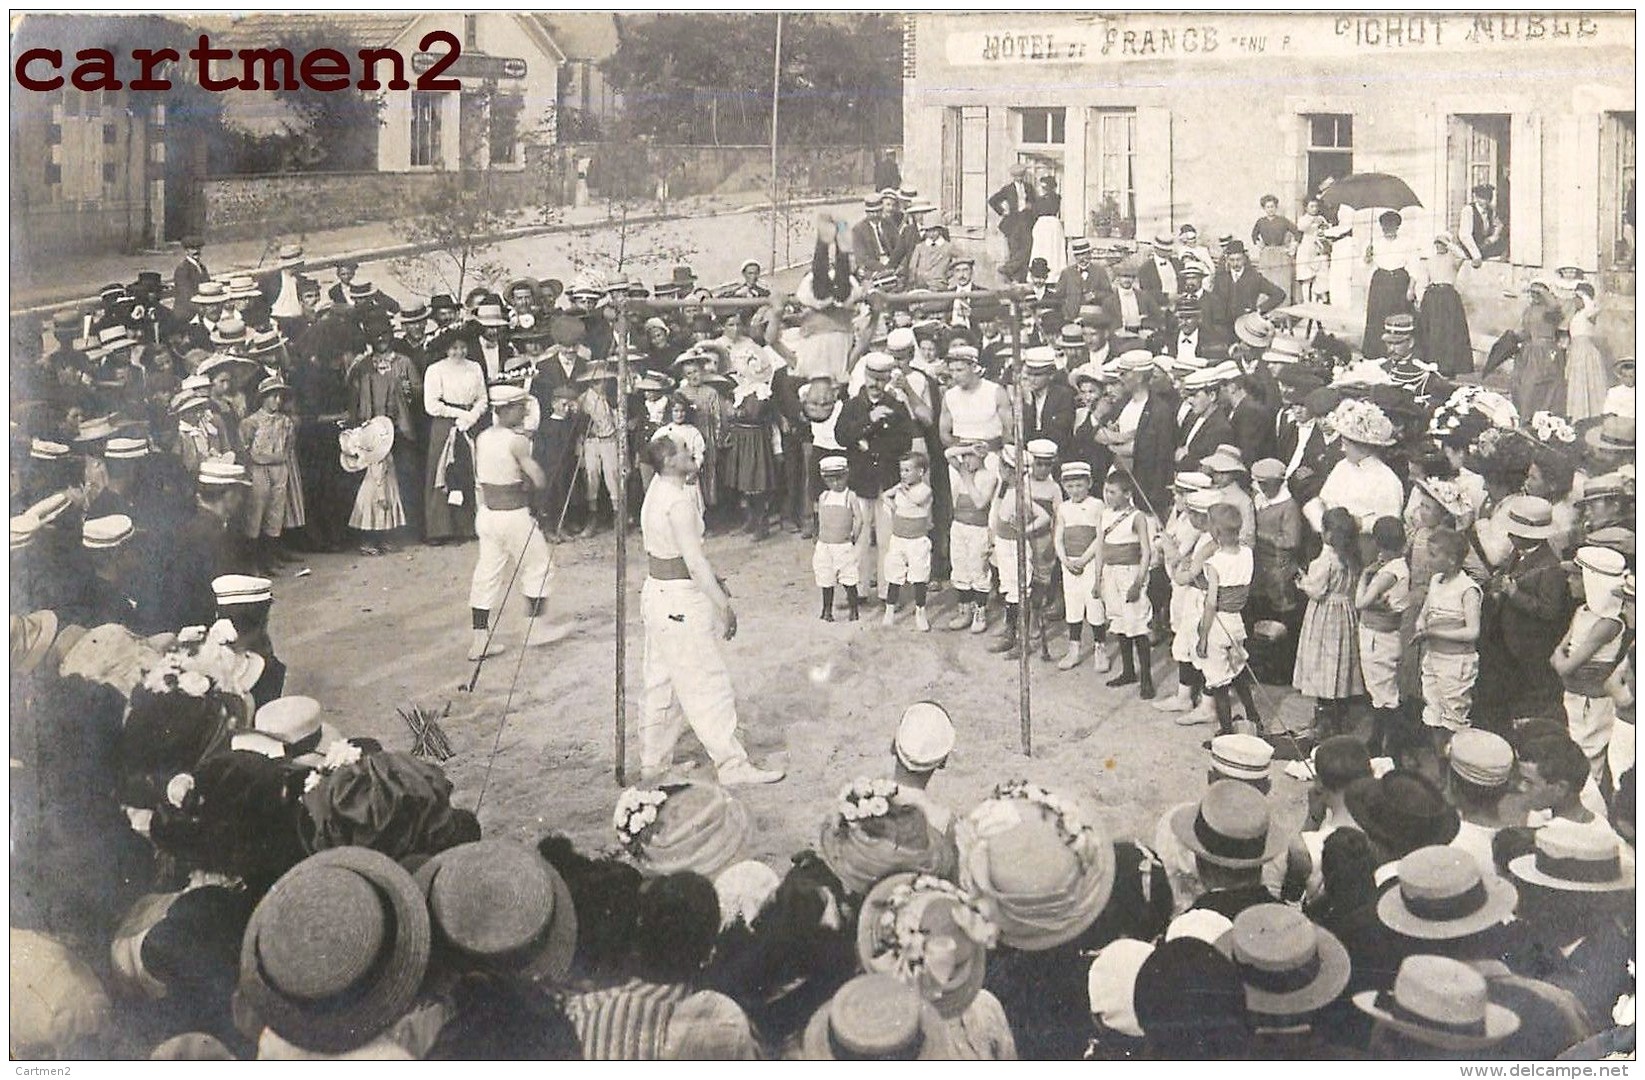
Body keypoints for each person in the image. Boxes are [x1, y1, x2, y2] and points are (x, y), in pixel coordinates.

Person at [638, 430, 783, 787]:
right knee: (706, 681)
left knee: (662, 682)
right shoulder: (678, 502)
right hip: (679, 599)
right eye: (686, 451)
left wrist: (713, 580)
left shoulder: (656, 490)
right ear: (670, 460)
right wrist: (723, 605)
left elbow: (677, 556)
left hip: (657, 593)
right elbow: (693, 562)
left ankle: (653, 764)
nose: (693, 455)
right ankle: (731, 764)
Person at [1551, 546, 1629, 781]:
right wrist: (1561, 658)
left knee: (1588, 761)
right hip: (1573, 696)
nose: (1570, 580)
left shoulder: (1608, 623)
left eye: (1577, 576)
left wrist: (1561, 659)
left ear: (1593, 583)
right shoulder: (1581, 611)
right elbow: (1555, 654)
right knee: (1572, 752)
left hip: (1592, 704)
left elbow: (1563, 663)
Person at [1294, 507, 1364, 738]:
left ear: (1328, 534)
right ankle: (1338, 719)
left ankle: (1324, 723)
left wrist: (1302, 580)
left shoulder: (1325, 561)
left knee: (1323, 664)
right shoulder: (1352, 558)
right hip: (1345, 614)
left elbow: (1316, 590)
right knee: (1339, 663)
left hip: (1325, 615)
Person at [1416, 528, 1483, 758]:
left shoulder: (1468, 590)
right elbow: (1427, 608)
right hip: (1434, 658)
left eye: (1433, 554)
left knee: (1454, 718)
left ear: (1452, 559)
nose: (1428, 559)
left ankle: (1458, 769)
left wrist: (1435, 633)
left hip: (1456, 662)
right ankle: (1441, 767)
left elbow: (1472, 631)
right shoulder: (1436, 580)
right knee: (1433, 712)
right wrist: (1421, 623)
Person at [420, 326, 486, 544]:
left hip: (469, 423)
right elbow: (431, 405)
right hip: (445, 425)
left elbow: (482, 398)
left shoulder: (475, 367)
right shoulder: (435, 370)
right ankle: (440, 529)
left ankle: (467, 527)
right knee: (442, 474)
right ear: (446, 350)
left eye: (463, 347)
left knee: (470, 470)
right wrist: (459, 414)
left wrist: (473, 415)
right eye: (454, 348)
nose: (459, 352)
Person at [1355, 516, 1410, 757]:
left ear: (1378, 543)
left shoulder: (1388, 573)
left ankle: (1390, 749)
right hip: (1386, 634)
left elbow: (1361, 602)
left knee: (1384, 694)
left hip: (1379, 637)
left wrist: (1365, 576)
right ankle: (1378, 741)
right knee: (1383, 691)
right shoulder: (1400, 566)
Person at [238, 376, 303, 576]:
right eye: (272, 397)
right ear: (263, 398)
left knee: (275, 513)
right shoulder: (251, 422)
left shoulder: (286, 422)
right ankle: (252, 562)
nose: (277, 401)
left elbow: (289, 446)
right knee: (256, 512)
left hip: (279, 468)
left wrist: (280, 459)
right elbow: (245, 449)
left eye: (279, 397)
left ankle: (269, 557)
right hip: (259, 469)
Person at [1099, 472, 1155, 697]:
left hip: (1130, 573)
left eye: (1113, 492)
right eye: (1106, 491)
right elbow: (1101, 548)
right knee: (1119, 622)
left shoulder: (1137, 516)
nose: (1108, 496)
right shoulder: (1104, 515)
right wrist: (1097, 580)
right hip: (1110, 572)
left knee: (1137, 625)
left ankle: (1147, 679)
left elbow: (1147, 551)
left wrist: (1138, 582)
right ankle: (1128, 671)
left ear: (1128, 494)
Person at [1053, 460, 1106, 670]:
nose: (1075, 490)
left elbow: (1100, 537)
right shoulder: (1064, 508)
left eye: (1079, 485)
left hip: (1090, 563)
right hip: (1070, 565)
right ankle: (1073, 648)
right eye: (1070, 486)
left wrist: (1084, 559)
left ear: (1089, 483)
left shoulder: (1097, 505)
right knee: (1073, 605)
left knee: (1094, 605)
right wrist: (1065, 560)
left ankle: (1100, 648)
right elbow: (1058, 537)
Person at [945, 442, 1000, 634]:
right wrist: (967, 450)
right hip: (959, 526)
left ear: (982, 456)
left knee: (977, 569)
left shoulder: (989, 476)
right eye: (965, 456)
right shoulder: (962, 469)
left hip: (978, 529)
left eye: (971, 456)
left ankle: (980, 612)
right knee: (960, 567)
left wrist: (967, 479)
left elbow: (979, 503)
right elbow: (949, 452)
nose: (966, 461)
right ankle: (964, 611)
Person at [1361, 210, 1425, 360]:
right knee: (1378, 317)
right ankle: (1377, 352)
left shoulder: (1407, 242)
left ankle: (1400, 352)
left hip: (1399, 281)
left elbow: (1414, 267)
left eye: (1391, 226)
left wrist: (1411, 288)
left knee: (1399, 316)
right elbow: (1365, 266)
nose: (1388, 229)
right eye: (1385, 226)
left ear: (1397, 227)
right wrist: (1367, 256)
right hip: (1381, 281)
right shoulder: (1374, 242)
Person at [882, 451, 934, 631]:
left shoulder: (924, 489)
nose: (903, 474)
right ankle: (889, 610)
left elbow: (917, 500)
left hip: (917, 541)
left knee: (919, 576)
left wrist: (902, 490)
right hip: (899, 539)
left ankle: (921, 611)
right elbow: (885, 495)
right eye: (901, 470)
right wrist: (894, 505)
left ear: (920, 472)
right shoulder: (901, 487)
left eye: (907, 470)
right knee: (894, 574)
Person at [812, 456, 864, 621]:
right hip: (825, 544)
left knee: (849, 579)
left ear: (846, 475)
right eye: (830, 480)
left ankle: (853, 609)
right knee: (826, 578)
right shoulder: (824, 497)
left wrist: (853, 535)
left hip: (843, 545)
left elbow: (859, 518)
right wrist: (819, 535)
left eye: (839, 478)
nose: (835, 483)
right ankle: (826, 610)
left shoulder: (850, 496)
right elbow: (820, 517)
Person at [1419, 233, 1475, 377]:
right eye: (1437, 243)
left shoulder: (1452, 260)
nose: (1439, 246)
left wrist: (1449, 244)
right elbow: (1425, 280)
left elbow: (1462, 255)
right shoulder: (1430, 260)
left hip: (1448, 297)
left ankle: (1448, 367)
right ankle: (1433, 365)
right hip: (1432, 296)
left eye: (1442, 243)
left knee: (1448, 332)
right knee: (1433, 332)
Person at [1565, 283, 1609, 422]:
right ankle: (1577, 416)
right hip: (1575, 351)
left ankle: (1588, 415)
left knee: (1587, 382)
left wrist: (1585, 296)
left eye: (1579, 298)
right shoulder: (1577, 315)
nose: (1576, 301)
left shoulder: (1589, 312)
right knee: (1577, 383)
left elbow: (1592, 309)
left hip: (1585, 352)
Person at [988, 164, 1037, 283]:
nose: (1019, 178)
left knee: (1027, 247)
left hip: (1026, 220)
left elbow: (1035, 202)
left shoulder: (1029, 187)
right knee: (1014, 249)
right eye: (1016, 176)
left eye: (1021, 176)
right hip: (1013, 221)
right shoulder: (1008, 189)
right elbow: (992, 200)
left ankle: (1009, 270)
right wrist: (1003, 211)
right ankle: (1015, 278)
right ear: (1013, 177)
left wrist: (1031, 207)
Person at [1251, 195, 1298, 302]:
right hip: (1267, 253)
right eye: (1267, 207)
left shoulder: (1283, 220)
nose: (1270, 209)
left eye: (1272, 207)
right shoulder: (1261, 222)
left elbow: (1297, 232)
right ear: (1264, 208)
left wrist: (1292, 246)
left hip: (1281, 253)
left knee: (1281, 280)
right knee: (1267, 279)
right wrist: (1259, 245)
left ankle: (1282, 308)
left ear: (1276, 207)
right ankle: (1267, 308)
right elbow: (1254, 235)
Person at [1458, 183, 1509, 265]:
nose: (1486, 201)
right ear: (1477, 197)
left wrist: (1493, 238)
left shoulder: (1491, 210)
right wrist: (1476, 255)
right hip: (1471, 249)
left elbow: (1498, 225)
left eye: (1488, 198)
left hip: (1485, 246)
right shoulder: (1468, 210)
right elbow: (1465, 235)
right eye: (1482, 198)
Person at [1294, 197, 1331, 304]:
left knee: (1319, 277)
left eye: (1316, 206)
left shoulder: (1321, 218)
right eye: (1311, 206)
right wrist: (1312, 220)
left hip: (1317, 249)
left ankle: (1316, 302)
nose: (1314, 209)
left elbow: (1325, 231)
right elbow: (1301, 227)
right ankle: (1306, 301)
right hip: (1305, 249)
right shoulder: (1303, 219)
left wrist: (1323, 227)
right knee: (1306, 277)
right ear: (1306, 208)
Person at [1030, 174, 1066, 277]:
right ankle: (1041, 272)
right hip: (1046, 225)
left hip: (1048, 225)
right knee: (1045, 249)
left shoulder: (1052, 198)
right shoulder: (1046, 198)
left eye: (1043, 187)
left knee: (1050, 249)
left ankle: (1051, 273)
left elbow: (1036, 211)